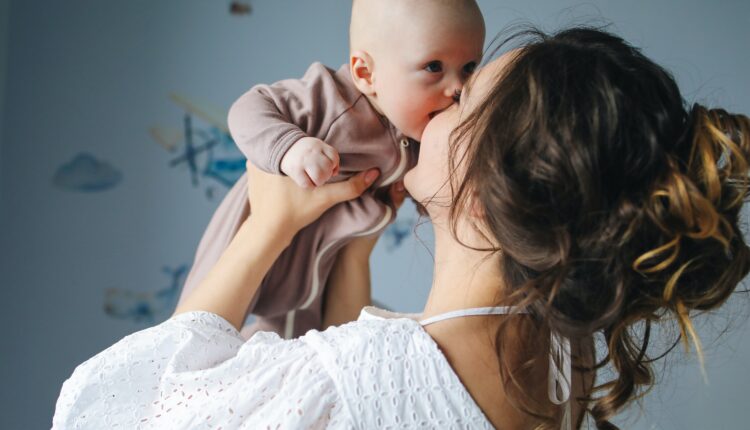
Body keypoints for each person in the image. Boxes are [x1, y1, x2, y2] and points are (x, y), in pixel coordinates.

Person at [52, 27, 750, 429]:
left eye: (463, 96)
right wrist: (354, 243)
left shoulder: (352, 379)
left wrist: (264, 228)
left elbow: (124, 409)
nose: (436, 103)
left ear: (481, 195)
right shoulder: (560, 358)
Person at [177, 0, 486, 339]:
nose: (457, 88)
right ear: (366, 74)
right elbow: (249, 107)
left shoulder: (416, 134)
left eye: (469, 68)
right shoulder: (331, 99)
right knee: (198, 331)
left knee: (297, 340)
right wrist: (290, 147)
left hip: (319, 264)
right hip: (253, 231)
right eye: (434, 67)